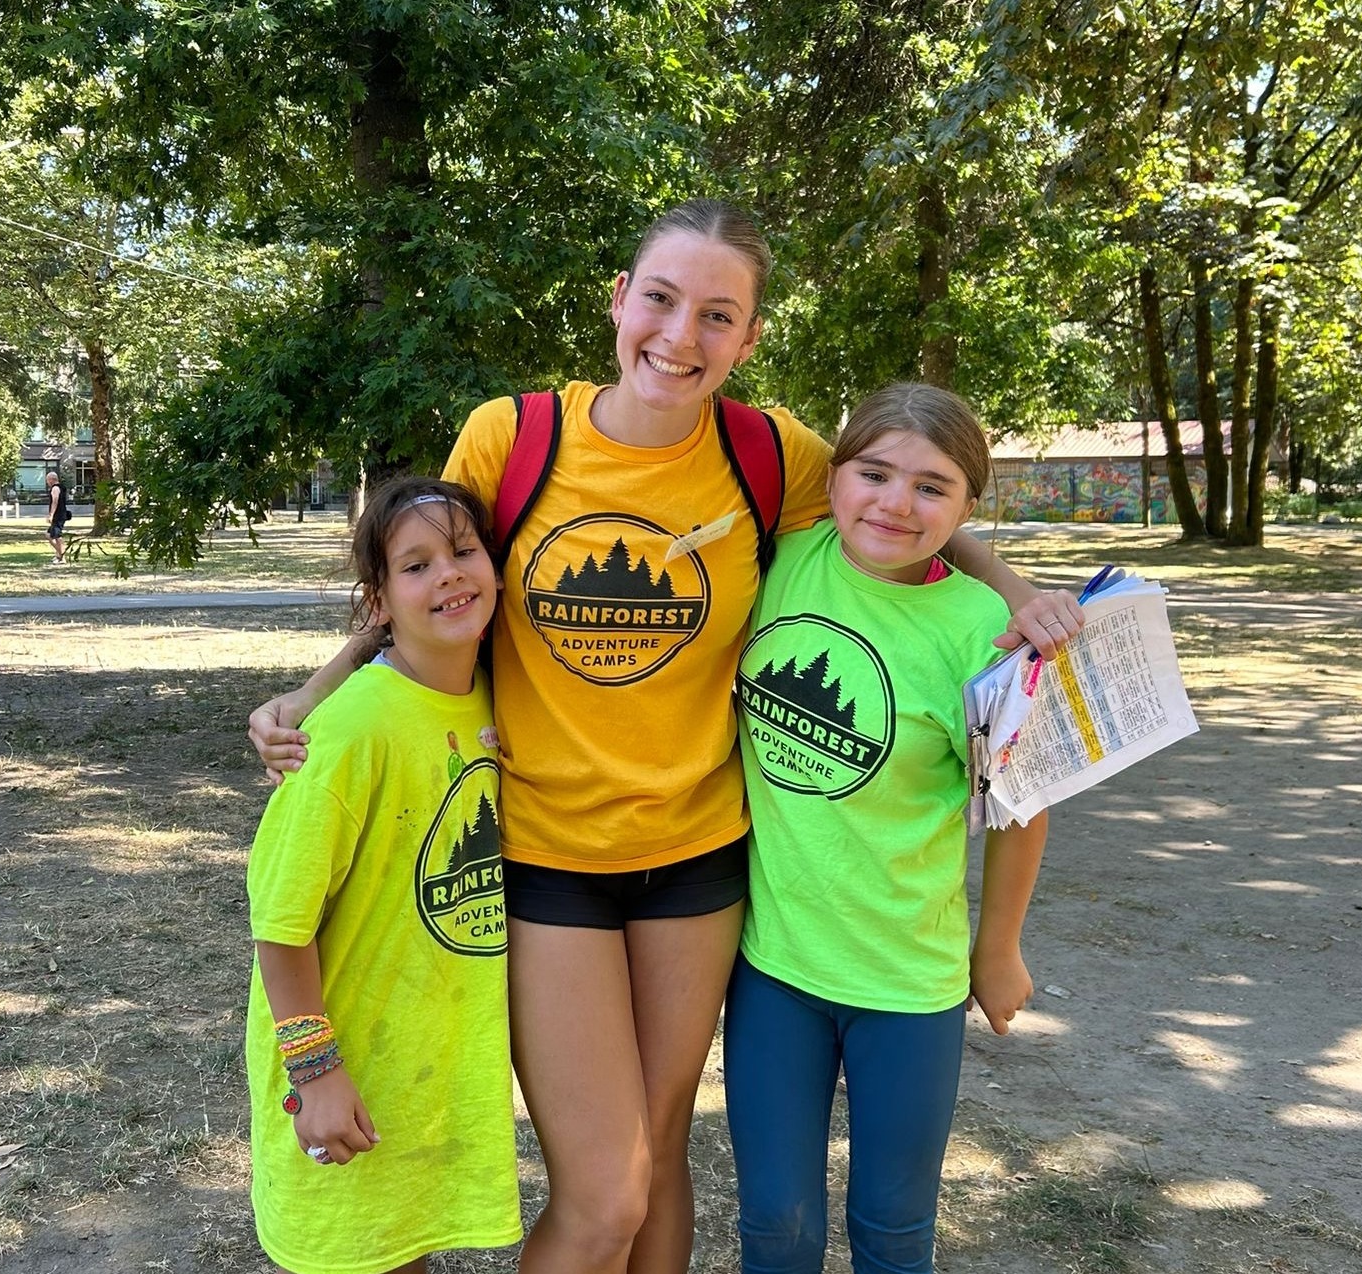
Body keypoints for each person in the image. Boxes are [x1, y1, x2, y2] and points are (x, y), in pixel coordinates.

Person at [248, 200, 1083, 1274]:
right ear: (619, 300)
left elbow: (901, 492)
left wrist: (1013, 587)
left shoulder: (768, 451)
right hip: (548, 853)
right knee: (605, 1194)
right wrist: (315, 690)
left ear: (749, 338)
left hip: (699, 856)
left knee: (659, 1157)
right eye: (660, 298)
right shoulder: (514, 436)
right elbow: (430, 577)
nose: (681, 336)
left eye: (718, 315)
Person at [724, 383, 1050, 1274]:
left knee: (894, 1228)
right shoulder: (778, 561)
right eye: (874, 473)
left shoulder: (986, 633)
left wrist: (999, 949)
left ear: (967, 507)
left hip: (908, 983)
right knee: (776, 1224)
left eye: (931, 487)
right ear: (833, 477)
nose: (896, 504)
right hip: (774, 966)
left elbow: (1020, 806)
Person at [245, 475, 520, 1274]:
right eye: (416, 565)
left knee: (402, 1252)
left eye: (464, 551)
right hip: (344, 1064)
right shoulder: (351, 732)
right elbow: (281, 919)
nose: (449, 575)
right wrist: (316, 1069)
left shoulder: (497, 698)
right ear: (379, 602)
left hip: (429, 1068)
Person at [45, 471, 69, 565]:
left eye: (47, 480)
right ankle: (59, 554)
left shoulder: (55, 488)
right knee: (49, 535)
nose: (47, 482)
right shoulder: (62, 487)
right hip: (61, 514)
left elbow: (55, 501)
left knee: (57, 537)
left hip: (58, 516)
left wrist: (51, 514)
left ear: (51, 479)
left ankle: (62, 557)